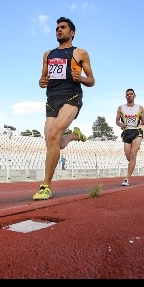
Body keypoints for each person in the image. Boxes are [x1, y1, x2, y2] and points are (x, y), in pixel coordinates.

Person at [33, 17, 95, 200]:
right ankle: (74, 136)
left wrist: (81, 78)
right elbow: (43, 79)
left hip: (72, 96)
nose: (59, 30)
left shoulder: (80, 53)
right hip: (52, 98)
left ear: (72, 32)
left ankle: (46, 186)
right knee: (54, 143)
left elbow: (92, 79)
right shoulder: (48, 54)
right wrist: (41, 82)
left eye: (63, 27)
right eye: (57, 28)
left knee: (53, 134)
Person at [116, 89, 144, 186]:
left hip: (137, 131)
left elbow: (142, 121)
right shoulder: (120, 108)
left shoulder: (140, 108)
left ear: (134, 96)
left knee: (133, 154)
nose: (129, 95)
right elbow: (117, 121)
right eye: (127, 94)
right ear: (125, 96)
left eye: (131, 94)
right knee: (129, 157)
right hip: (126, 133)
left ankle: (127, 178)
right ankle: (133, 163)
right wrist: (121, 125)